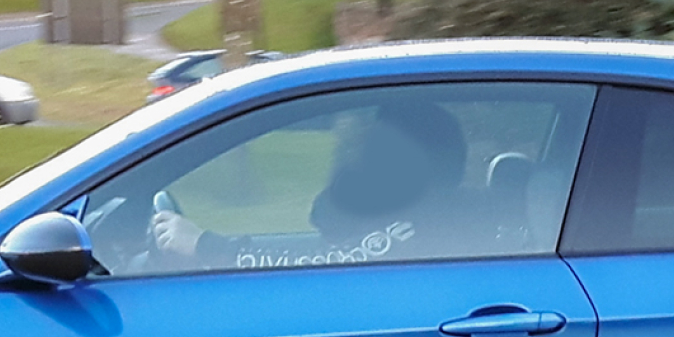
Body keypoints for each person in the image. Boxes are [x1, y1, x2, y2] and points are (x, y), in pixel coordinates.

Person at [149, 97, 473, 270]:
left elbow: (316, 264)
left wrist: (203, 244)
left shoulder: (415, 231)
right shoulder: (421, 218)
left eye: (360, 152)